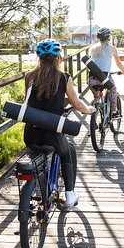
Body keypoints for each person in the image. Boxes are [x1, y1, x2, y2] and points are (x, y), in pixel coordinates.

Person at [24, 39, 94, 208]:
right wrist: (88, 110)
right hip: (52, 132)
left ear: (39, 59)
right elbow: (77, 103)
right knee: (66, 153)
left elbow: (28, 102)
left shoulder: (29, 76)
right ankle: (69, 195)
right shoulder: (64, 78)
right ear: (59, 58)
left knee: (37, 153)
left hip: (31, 133)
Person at [87, 27, 124, 116]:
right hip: (104, 78)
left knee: (96, 97)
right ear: (109, 37)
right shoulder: (112, 48)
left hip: (91, 78)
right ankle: (113, 112)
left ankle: (93, 119)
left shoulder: (93, 48)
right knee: (113, 89)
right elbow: (118, 63)